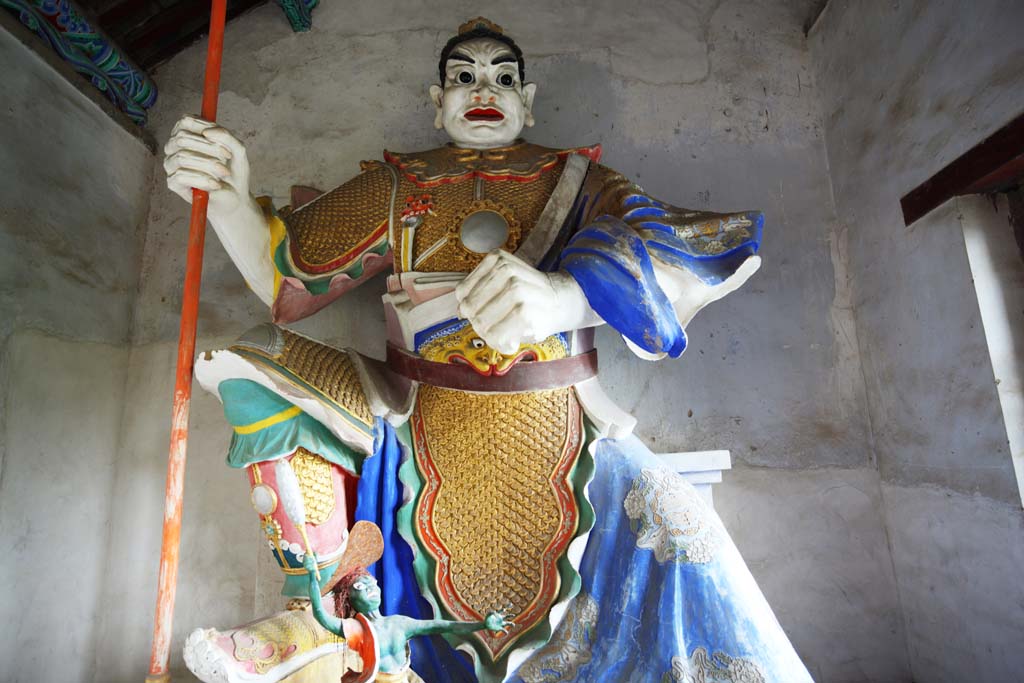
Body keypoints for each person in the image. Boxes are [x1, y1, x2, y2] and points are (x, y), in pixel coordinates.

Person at [171, 16, 814, 683]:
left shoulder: (579, 181)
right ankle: (320, 613)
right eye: (464, 77)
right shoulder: (397, 184)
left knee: (678, 538)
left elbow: (665, 244)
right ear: (436, 100)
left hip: (561, 417)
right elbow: (287, 275)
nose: (485, 88)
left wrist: (565, 295)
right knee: (255, 357)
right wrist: (225, 197)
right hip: (414, 411)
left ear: (527, 100)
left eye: (503, 77)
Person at [303, 553, 512, 683]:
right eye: (360, 586)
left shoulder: (399, 623)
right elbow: (321, 615)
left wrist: (482, 624)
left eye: (371, 582)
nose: (370, 588)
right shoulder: (357, 629)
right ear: (350, 598)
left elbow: (442, 625)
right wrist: (313, 577)